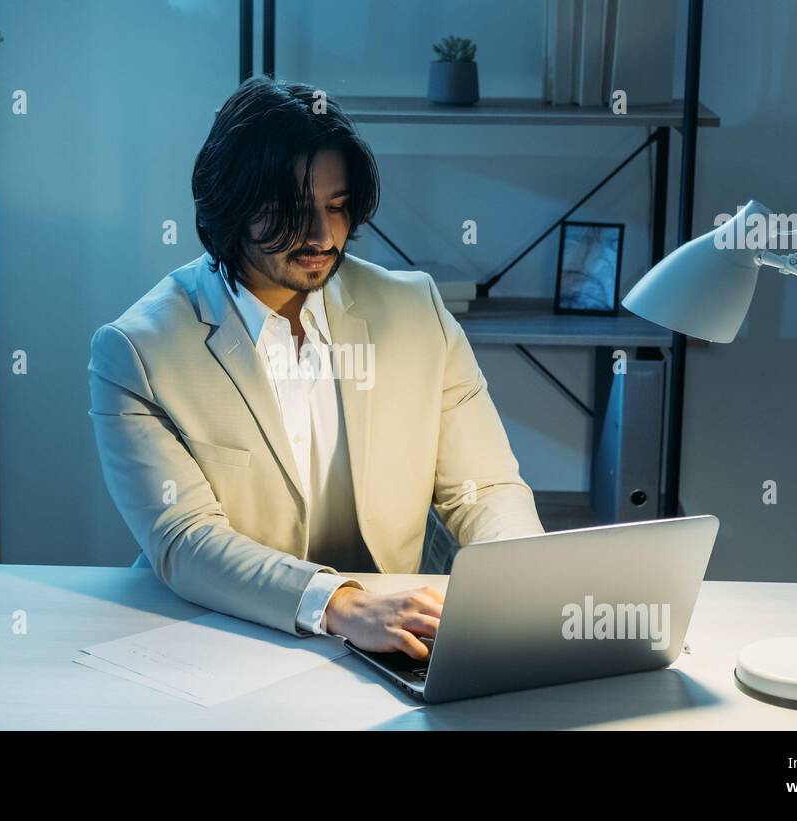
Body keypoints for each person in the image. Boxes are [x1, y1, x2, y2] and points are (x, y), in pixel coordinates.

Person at [89, 77, 543, 660]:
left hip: (395, 632)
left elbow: (484, 490)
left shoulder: (416, 310)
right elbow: (186, 539)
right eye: (292, 212)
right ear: (230, 207)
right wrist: (339, 603)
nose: (321, 236)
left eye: (336, 207)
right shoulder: (137, 352)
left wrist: (526, 588)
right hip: (224, 637)